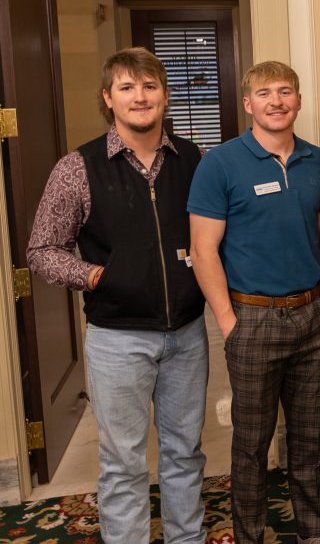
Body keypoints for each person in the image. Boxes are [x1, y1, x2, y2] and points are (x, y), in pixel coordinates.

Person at [26, 47, 207, 544]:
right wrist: (99, 277)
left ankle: (185, 538)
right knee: (124, 461)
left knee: (184, 451)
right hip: (117, 340)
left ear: (165, 96)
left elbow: (214, 235)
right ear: (109, 98)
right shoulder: (77, 167)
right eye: (127, 88)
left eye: (149, 86)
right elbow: (42, 249)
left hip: (188, 334)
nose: (140, 97)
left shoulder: (193, 159)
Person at [188, 61, 320, 544]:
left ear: (298, 100)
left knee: (308, 438)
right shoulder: (220, 163)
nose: (277, 101)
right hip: (252, 319)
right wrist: (229, 320)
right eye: (265, 93)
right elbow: (203, 249)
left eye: (286, 92)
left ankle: (312, 529)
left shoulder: (319, 160)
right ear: (248, 103)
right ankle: (250, 534)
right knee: (252, 444)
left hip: (315, 316)